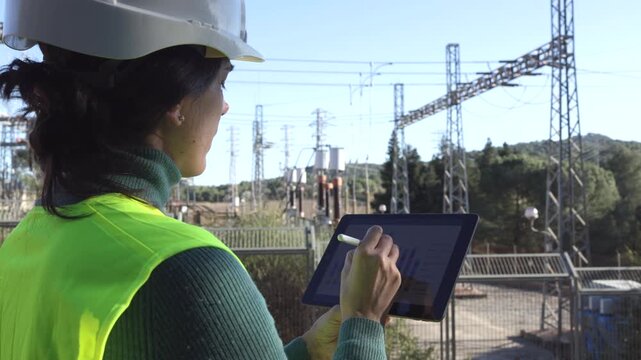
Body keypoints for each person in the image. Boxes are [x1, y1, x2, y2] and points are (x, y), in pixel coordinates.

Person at [0, 0, 403, 359]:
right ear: (176, 100)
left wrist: (305, 351)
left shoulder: (25, 245)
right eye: (221, 80)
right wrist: (363, 325)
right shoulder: (189, 271)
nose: (225, 105)